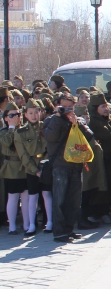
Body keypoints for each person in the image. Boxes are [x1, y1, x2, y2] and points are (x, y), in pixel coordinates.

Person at [42, 93, 95, 243]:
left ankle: (69, 229)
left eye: (70, 108)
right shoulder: (51, 121)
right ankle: (59, 232)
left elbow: (90, 136)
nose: (67, 110)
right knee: (59, 200)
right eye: (63, 107)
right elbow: (50, 137)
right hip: (60, 166)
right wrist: (59, 118)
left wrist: (76, 124)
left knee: (74, 200)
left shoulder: (77, 120)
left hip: (76, 164)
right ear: (56, 106)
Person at [85, 92, 111, 223]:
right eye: (102, 107)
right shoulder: (93, 122)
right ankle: (97, 212)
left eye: (106, 106)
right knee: (99, 187)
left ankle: (108, 209)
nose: (106, 109)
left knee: (110, 184)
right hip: (99, 160)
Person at [15, 99, 47, 236]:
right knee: (32, 196)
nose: (34, 115)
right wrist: (35, 170)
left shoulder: (46, 127)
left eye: (37, 112)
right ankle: (32, 224)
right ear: (26, 115)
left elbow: (49, 148)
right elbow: (23, 154)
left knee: (47, 194)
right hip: (31, 169)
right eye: (31, 113)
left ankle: (49, 222)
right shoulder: (21, 132)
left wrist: (44, 166)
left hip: (45, 166)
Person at [0, 103, 27, 235]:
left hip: (24, 166)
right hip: (11, 167)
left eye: (18, 114)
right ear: (6, 118)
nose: (16, 117)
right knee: (12, 197)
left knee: (26, 196)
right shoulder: (4, 132)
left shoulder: (24, 129)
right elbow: (6, 143)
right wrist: (11, 128)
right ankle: (12, 226)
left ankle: (27, 224)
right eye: (12, 115)